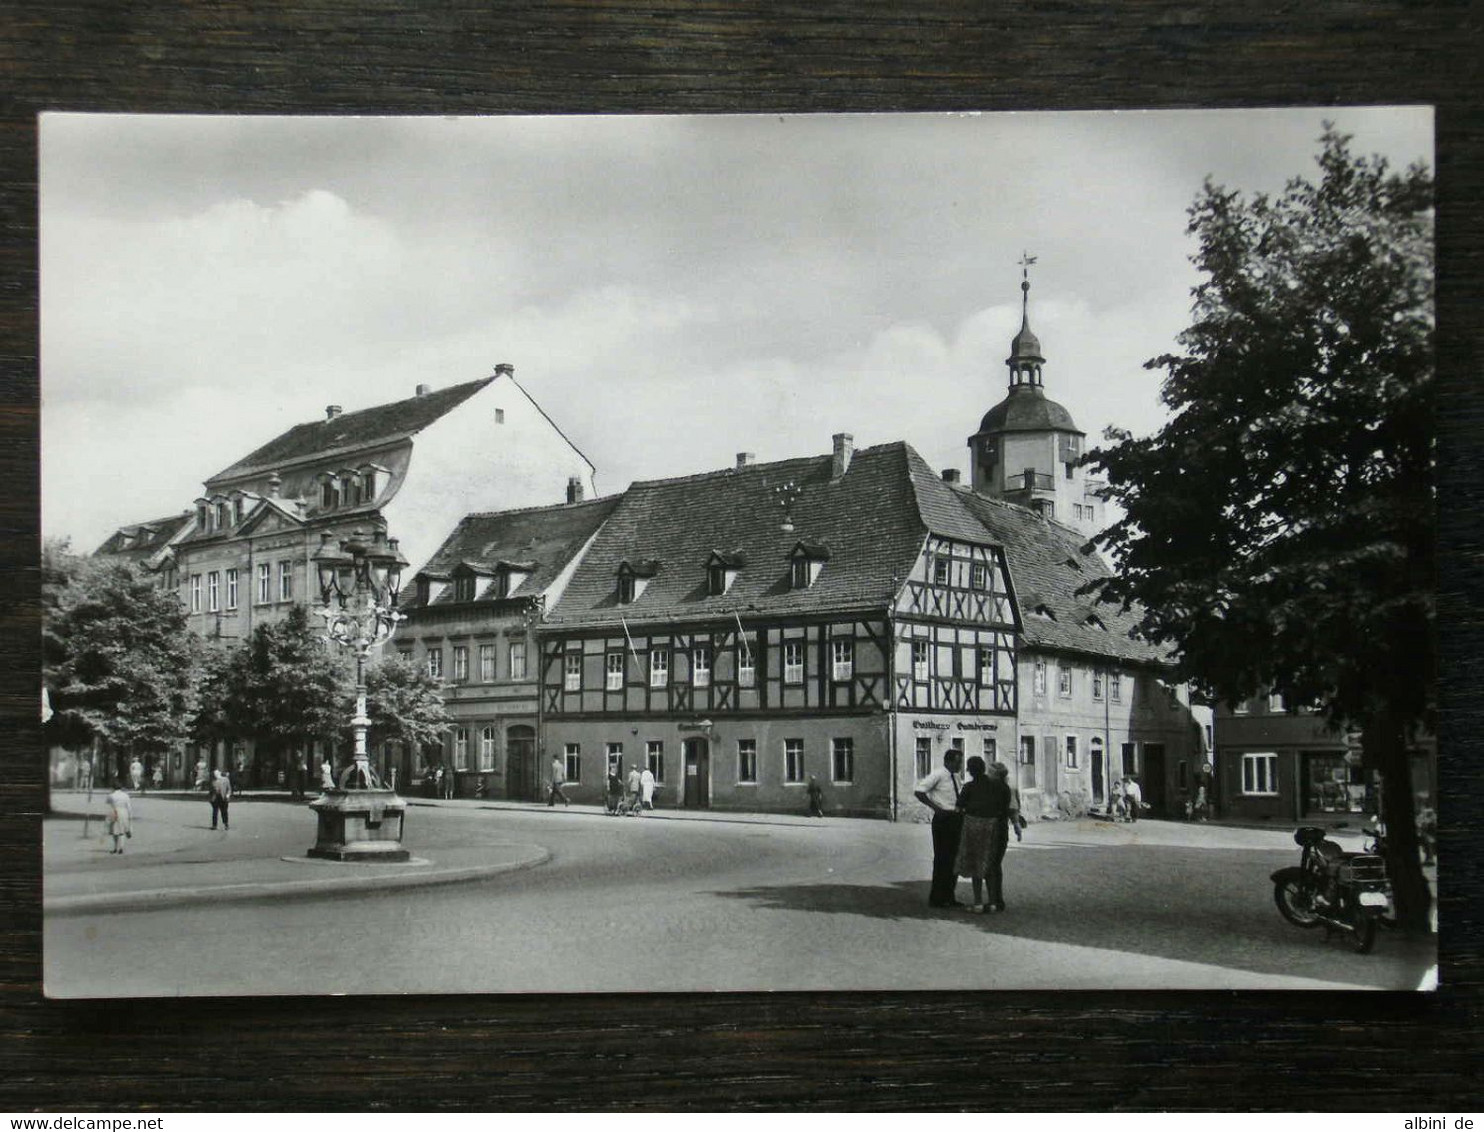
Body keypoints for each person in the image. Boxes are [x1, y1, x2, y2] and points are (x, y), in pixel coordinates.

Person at [953, 757, 1013, 912]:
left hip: (973, 827)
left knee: (975, 865)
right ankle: (993, 902)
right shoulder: (1000, 786)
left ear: (970, 771)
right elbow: (1005, 807)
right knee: (991, 864)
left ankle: (978, 903)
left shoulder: (969, 786)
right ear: (984, 768)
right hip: (994, 827)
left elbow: (958, 808)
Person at [914, 747, 964, 908]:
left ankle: (949, 896)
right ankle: (936, 898)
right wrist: (936, 808)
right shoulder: (938, 774)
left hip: (956, 818)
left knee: (954, 858)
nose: (959, 765)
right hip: (943, 819)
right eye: (957, 762)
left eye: (960, 762)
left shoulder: (956, 776)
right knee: (942, 858)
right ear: (948, 761)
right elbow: (920, 791)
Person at [105, 779, 132, 854]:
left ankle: (115, 847)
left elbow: (108, 804)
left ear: (113, 788)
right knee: (122, 831)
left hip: (114, 812)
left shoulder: (111, 795)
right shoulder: (125, 795)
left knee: (114, 831)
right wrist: (129, 816)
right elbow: (129, 806)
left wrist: (108, 817)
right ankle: (121, 848)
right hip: (124, 812)